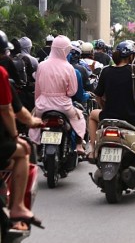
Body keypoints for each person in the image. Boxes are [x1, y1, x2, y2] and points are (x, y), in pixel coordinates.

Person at [88, 40, 135, 166]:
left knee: (92, 115)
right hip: (132, 117)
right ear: (131, 56)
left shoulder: (105, 71)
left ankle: (93, 151)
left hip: (109, 116)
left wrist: (104, 107)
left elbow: (98, 96)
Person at [0, 65, 44, 230]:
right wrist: (15, 136)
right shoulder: (2, 74)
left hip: (41, 106)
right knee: (23, 151)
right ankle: (17, 206)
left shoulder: (41, 66)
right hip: (49, 108)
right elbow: (7, 110)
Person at [29, 35, 86, 155]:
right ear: (65, 50)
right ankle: (79, 145)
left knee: (34, 119)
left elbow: (37, 89)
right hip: (63, 106)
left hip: (42, 105)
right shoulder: (68, 67)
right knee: (79, 117)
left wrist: (38, 103)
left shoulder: (42, 65)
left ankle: (34, 145)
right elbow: (72, 92)